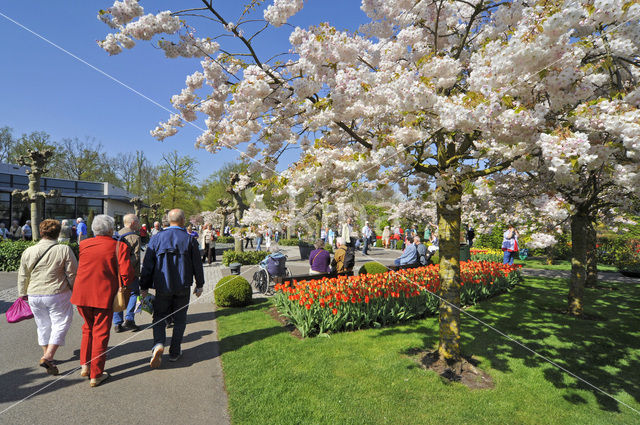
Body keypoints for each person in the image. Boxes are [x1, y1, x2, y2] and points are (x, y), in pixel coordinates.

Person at [71, 214, 134, 387]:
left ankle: (85, 364)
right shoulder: (118, 246)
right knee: (100, 333)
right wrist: (124, 286)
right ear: (111, 229)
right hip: (103, 294)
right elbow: (126, 273)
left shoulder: (83, 244)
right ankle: (96, 374)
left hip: (82, 294)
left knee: (87, 329)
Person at [140, 209, 205, 368]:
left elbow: (148, 265)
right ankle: (175, 351)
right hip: (182, 285)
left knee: (159, 317)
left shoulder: (156, 239)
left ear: (169, 221)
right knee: (180, 318)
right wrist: (200, 284)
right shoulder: (190, 240)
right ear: (183, 221)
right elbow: (198, 264)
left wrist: (143, 287)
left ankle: (159, 344)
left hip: (162, 286)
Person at [17, 219, 78, 376]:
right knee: (62, 321)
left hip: (34, 294)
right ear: (58, 233)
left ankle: (48, 357)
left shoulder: (29, 251)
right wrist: (74, 288)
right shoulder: (64, 249)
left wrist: (22, 293)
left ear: (41, 232)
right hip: (57, 292)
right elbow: (72, 273)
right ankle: (48, 356)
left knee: (42, 324)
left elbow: (23, 274)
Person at [113, 214, 142, 333]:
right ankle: (129, 319)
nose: (139, 223)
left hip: (116, 271)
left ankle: (117, 323)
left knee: (118, 294)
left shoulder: (116, 234)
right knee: (135, 293)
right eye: (138, 221)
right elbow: (136, 257)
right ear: (132, 223)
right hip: (130, 272)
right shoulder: (135, 236)